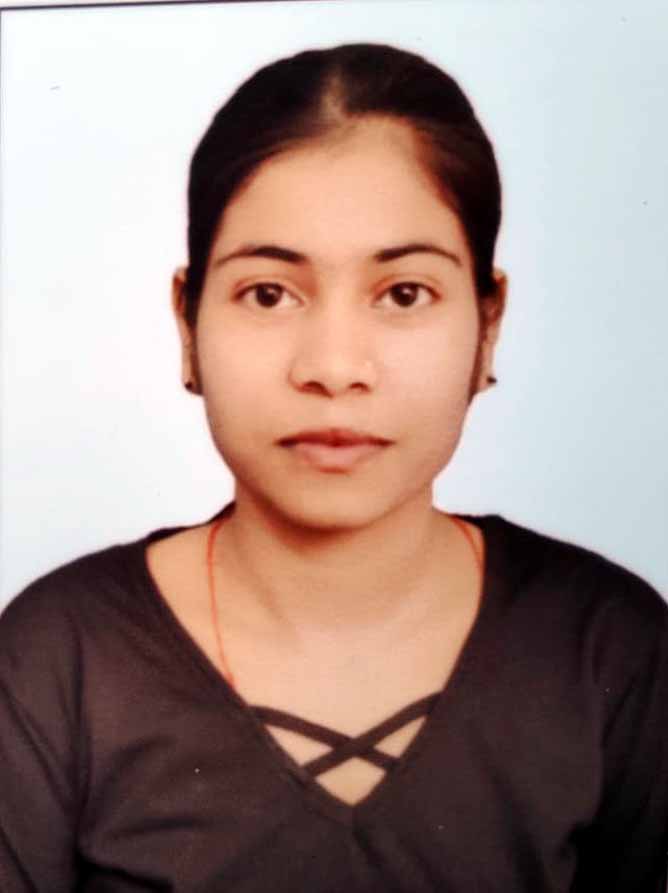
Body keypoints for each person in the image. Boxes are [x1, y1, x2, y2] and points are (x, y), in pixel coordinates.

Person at [0, 42, 666, 893]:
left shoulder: (611, 646)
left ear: (487, 324)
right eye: (269, 293)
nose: (335, 366)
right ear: (188, 323)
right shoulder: (55, 659)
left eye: (404, 293)